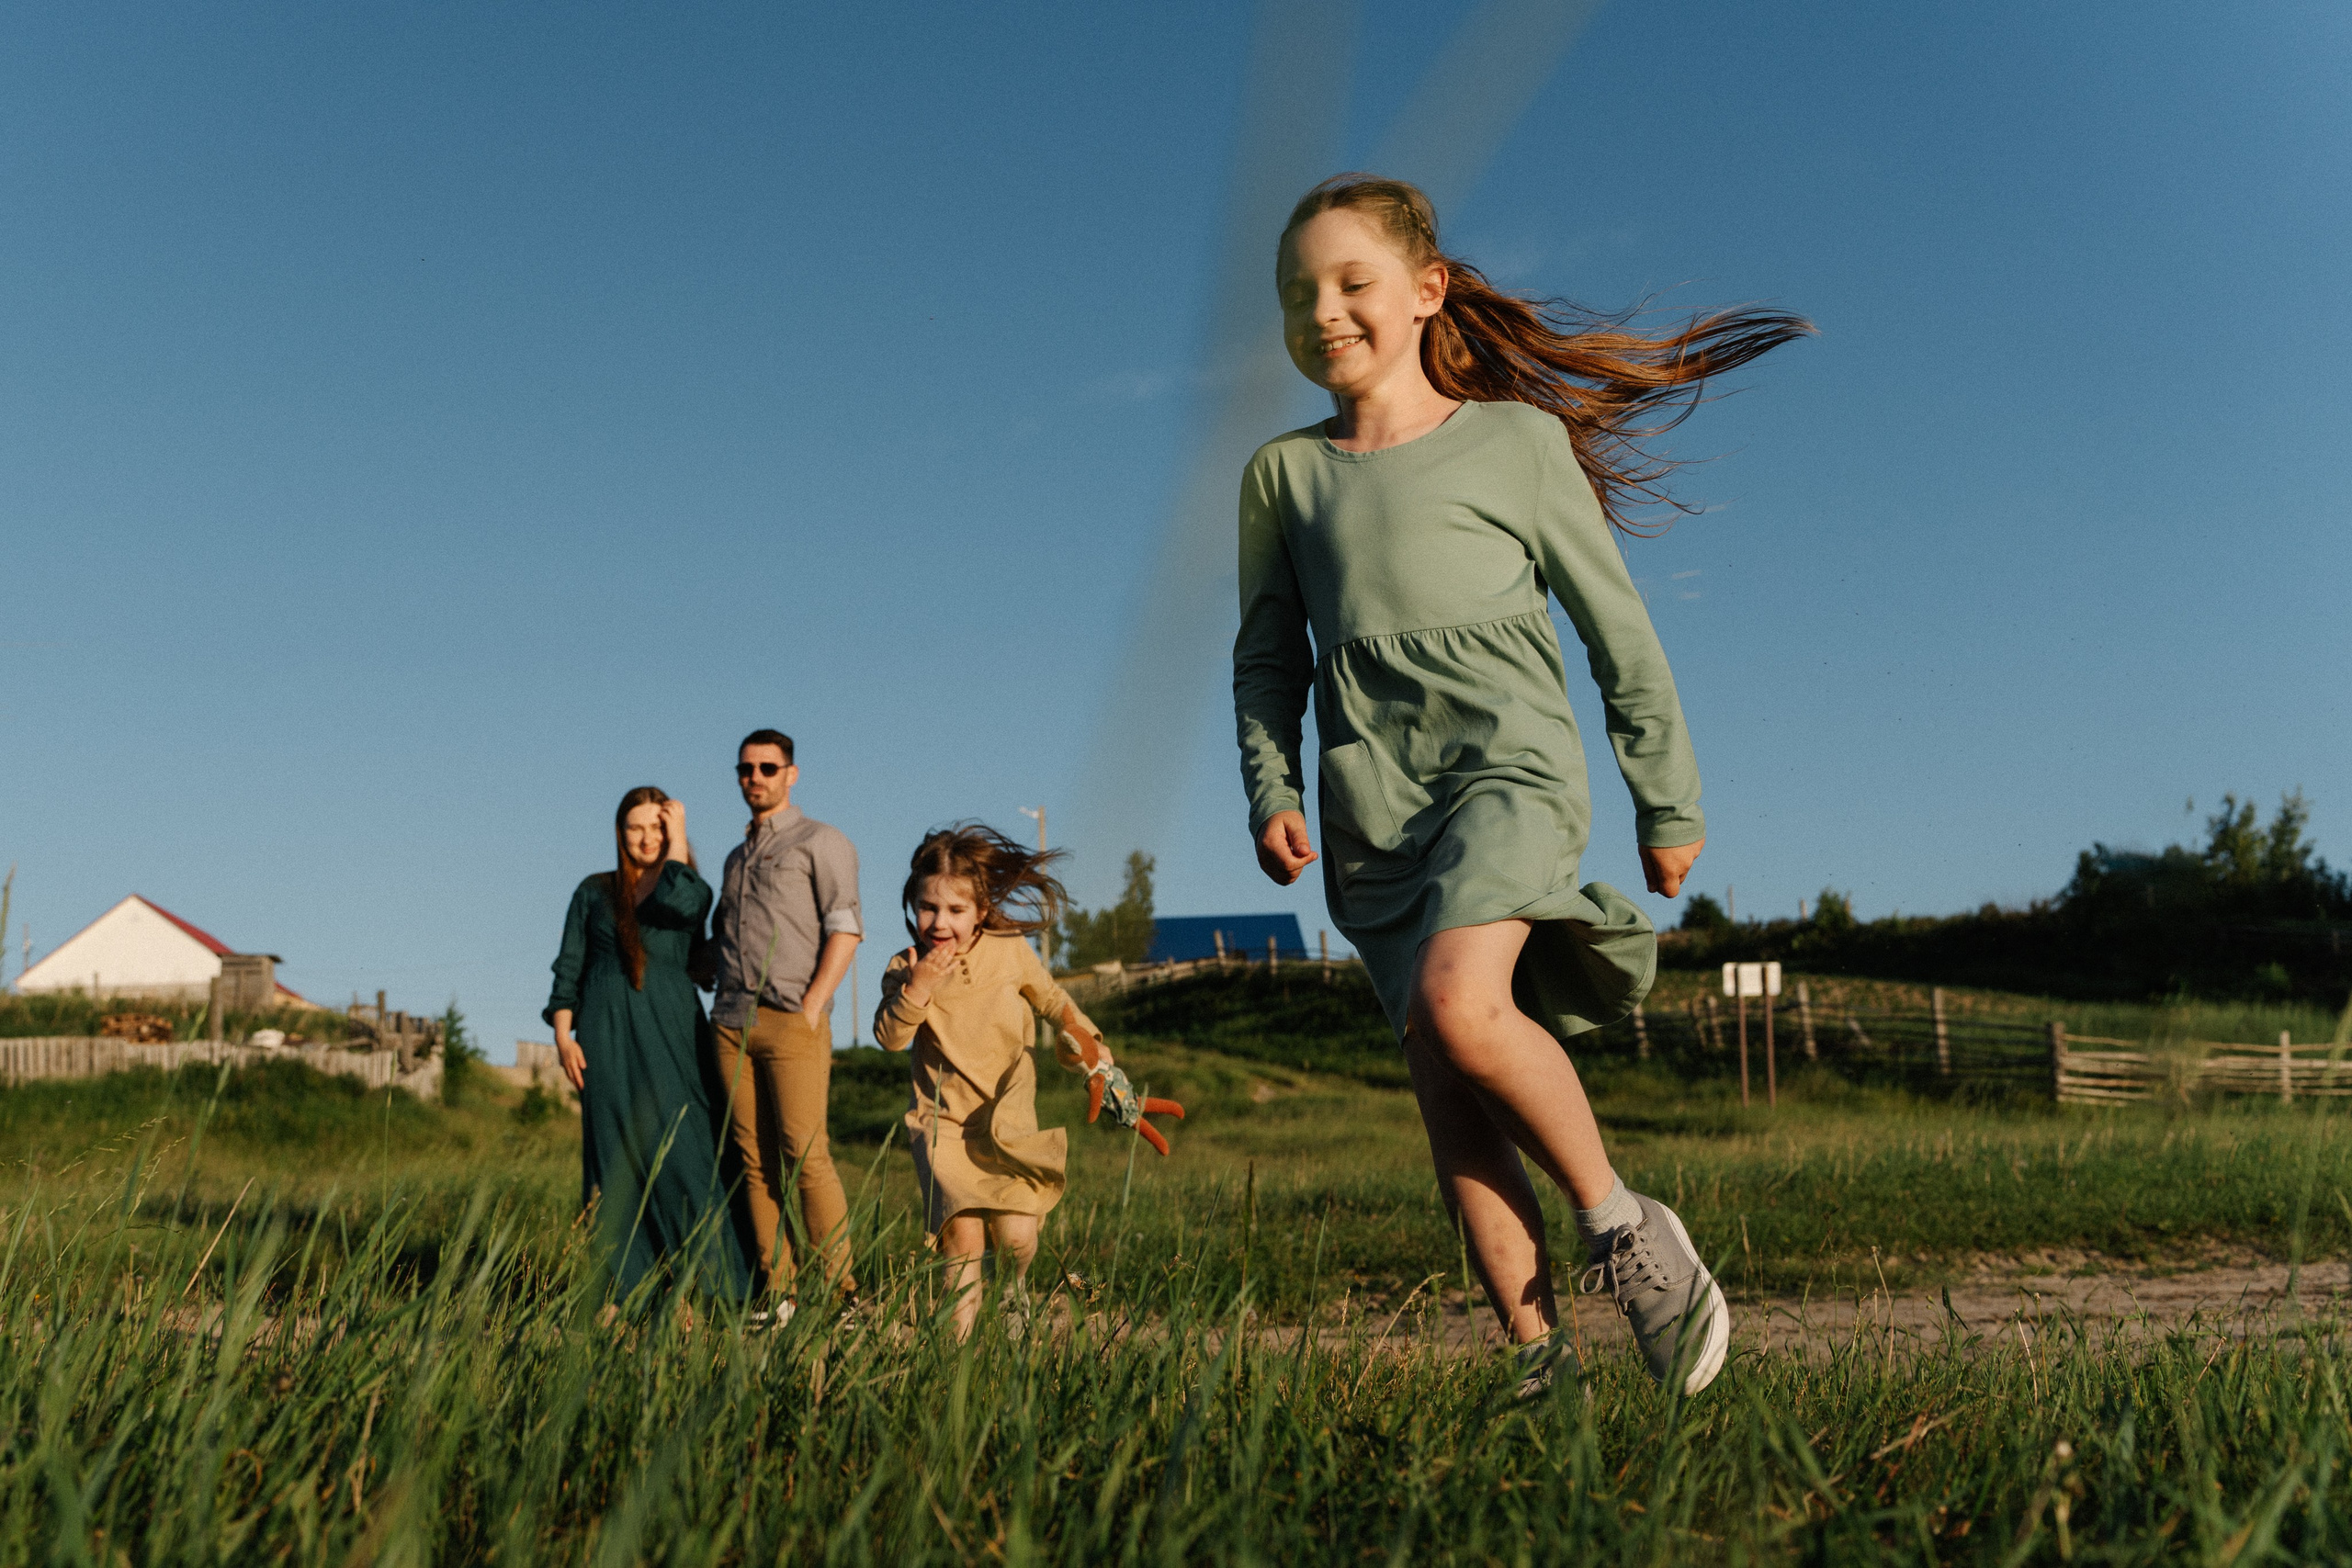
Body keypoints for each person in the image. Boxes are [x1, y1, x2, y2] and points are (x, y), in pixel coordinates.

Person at [1230, 175, 1810, 1395]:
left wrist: (1667, 796)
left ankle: (1623, 1227)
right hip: (1368, 802)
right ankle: (1541, 1370)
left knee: (1462, 1006)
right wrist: (1270, 784)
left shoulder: (1516, 442)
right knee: (1446, 1089)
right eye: (1297, 293)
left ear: (1426, 290)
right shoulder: (1282, 475)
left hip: (1508, 766)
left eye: (1350, 282)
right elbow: (1269, 654)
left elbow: (1618, 631)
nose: (1322, 310)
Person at [872, 825, 1182, 1339]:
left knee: (1017, 1239)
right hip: (943, 1126)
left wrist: (1085, 1038)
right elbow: (890, 1036)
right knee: (962, 1243)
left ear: (980, 910)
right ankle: (956, 1359)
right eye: (928, 907)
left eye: (955, 910)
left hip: (1008, 1120)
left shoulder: (1008, 948)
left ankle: (1013, 1289)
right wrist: (919, 987)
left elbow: (1053, 1000)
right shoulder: (906, 967)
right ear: (914, 905)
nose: (940, 922)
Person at [546, 787, 750, 1304]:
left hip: (671, 1029)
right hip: (603, 1035)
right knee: (615, 1158)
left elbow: (681, 904)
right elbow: (570, 965)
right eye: (635, 827)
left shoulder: (687, 888)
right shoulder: (594, 891)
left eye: (656, 827)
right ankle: (630, 1295)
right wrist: (563, 1036)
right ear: (620, 833)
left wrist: (678, 834)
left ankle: (719, 1290)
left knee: (687, 1149)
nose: (645, 838)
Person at [709, 728, 862, 1314]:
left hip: (791, 1019)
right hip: (731, 1024)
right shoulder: (735, 858)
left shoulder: (820, 841)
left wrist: (813, 1005)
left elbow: (845, 926)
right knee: (755, 1163)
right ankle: (778, 1294)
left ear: (791, 774)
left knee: (806, 1154)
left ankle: (843, 1294)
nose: (755, 778)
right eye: (745, 769)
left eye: (767, 768)